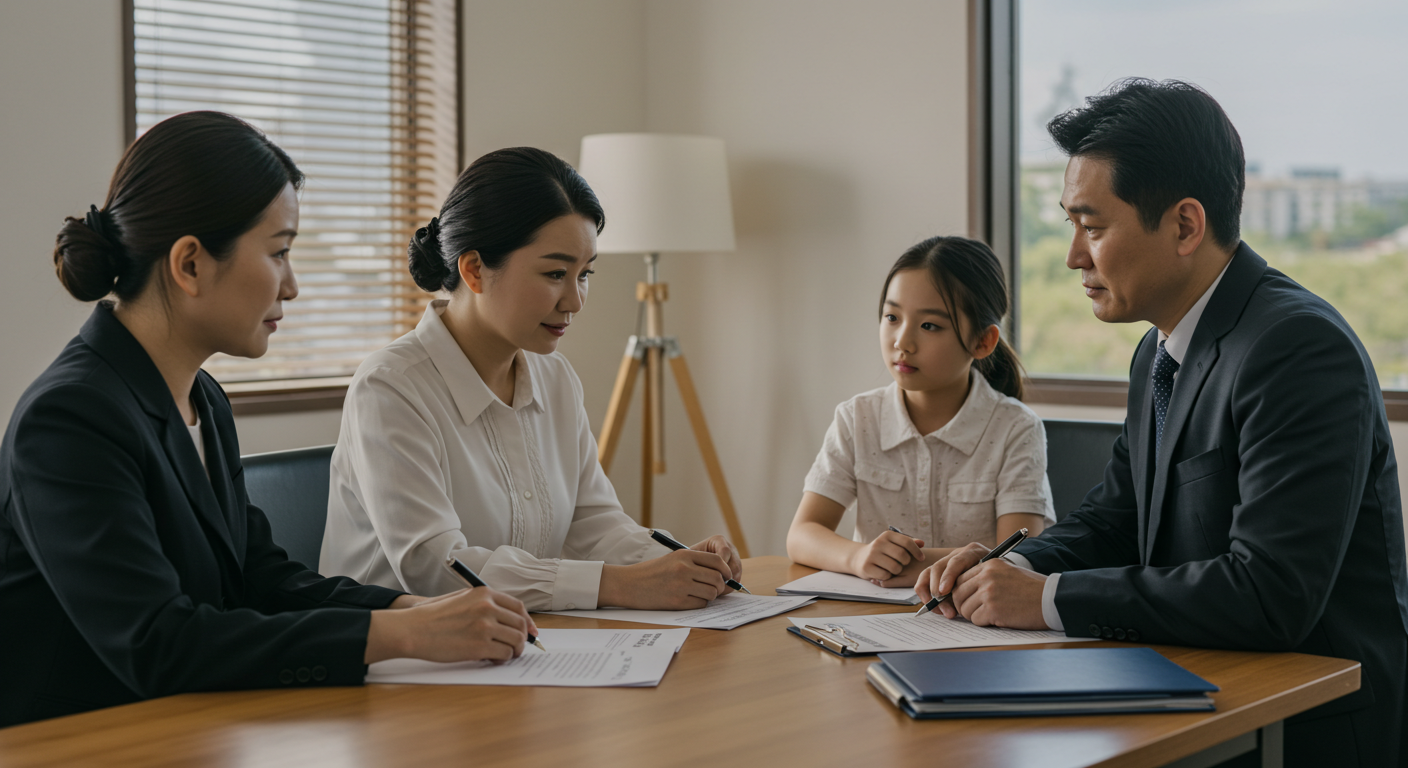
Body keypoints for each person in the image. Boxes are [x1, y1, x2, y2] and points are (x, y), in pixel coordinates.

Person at [915, 79, 1407, 767]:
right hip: (1195, 693)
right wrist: (1009, 566)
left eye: (1093, 226)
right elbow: (1115, 520)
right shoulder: (1158, 350)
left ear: (1184, 225)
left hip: (1305, 726)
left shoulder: (1297, 348)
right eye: (1071, 227)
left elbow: (1270, 594)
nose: (1073, 257)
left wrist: (1046, 599)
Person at [0, 112, 538, 728]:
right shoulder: (70, 418)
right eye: (279, 252)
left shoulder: (201, 397)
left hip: (190, 728)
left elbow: (259, 578)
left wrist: (413, 608)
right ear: (190, 264)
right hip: (81, 740)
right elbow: (159, 643)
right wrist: (399, 635)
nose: (294, 286)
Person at [319, 147, 743, 612]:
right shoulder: (390, 386)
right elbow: (437, 568)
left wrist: (681, 564)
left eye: (585, 274)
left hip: (521, 648)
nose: (575, 301)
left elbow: (594, 524)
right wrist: (620, 585)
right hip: (396, 663)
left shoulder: (555, 377)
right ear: (475, 269)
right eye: (556, 273)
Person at [786, 236, 1054, 586]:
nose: (902, 341)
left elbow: (1018, 554)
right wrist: (858, 556)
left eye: (929, 326)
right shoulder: (857, 418)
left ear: (983, 341)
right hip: (871, 621)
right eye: (892, 317)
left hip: (976, 624)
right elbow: (802, 534)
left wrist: (909, 563)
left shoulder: (1016, 428)